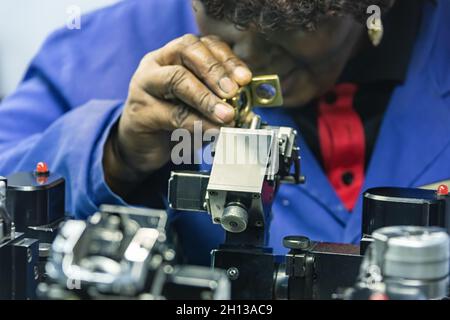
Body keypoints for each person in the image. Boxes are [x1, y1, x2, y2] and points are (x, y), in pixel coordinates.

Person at [0, 0, 448, 265]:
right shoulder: (103, 46)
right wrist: (115, 153)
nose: (248, 59)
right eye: (219, 11)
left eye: (289, 30)